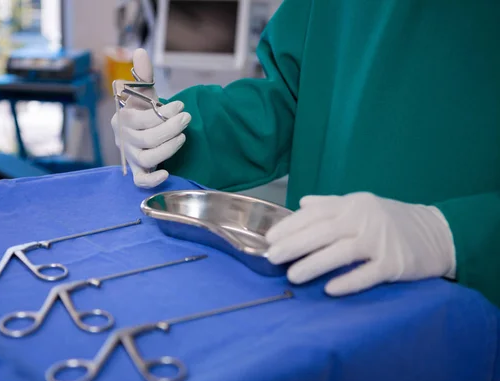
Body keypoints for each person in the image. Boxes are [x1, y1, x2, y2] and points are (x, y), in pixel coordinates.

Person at [112, 0, 500, 307]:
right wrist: (171, 127)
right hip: (320, 286)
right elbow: (289, 100)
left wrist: (455, 234)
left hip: (469, 309)